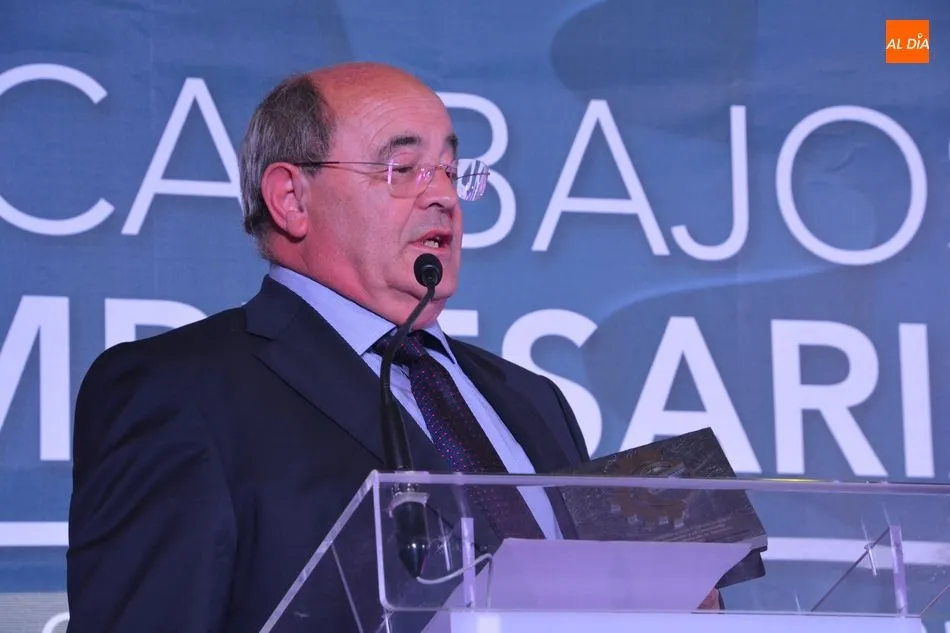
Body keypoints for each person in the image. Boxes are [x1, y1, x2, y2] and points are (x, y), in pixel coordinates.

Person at [65, 62, 594, 633]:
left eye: (449, 170)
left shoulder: (534, 400)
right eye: (403, 168)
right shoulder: (176, 392)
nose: (443, 195)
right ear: (291, 199)